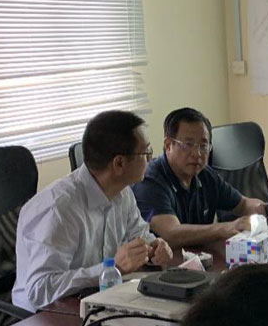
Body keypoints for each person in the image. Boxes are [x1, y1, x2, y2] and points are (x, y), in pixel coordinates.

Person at [12, 110, 172, 311]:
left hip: (97, 301)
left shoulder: (123, 193)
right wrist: (112, 268)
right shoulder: (59, 209)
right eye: (145, 152)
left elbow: (139, 236)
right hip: (43, 317)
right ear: (119, 163)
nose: (150, 158)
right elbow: (40, 289)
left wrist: (155, 248)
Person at [132, 108, 265, 249]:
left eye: (203, 146)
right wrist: (225, 228)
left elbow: (242, 204)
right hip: (165, 260)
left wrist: (263, 209)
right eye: (188, 145)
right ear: (168, 145)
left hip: (201, 257)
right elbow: (171, 234)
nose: (197, 154)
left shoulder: (205, 174)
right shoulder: (149, 181)